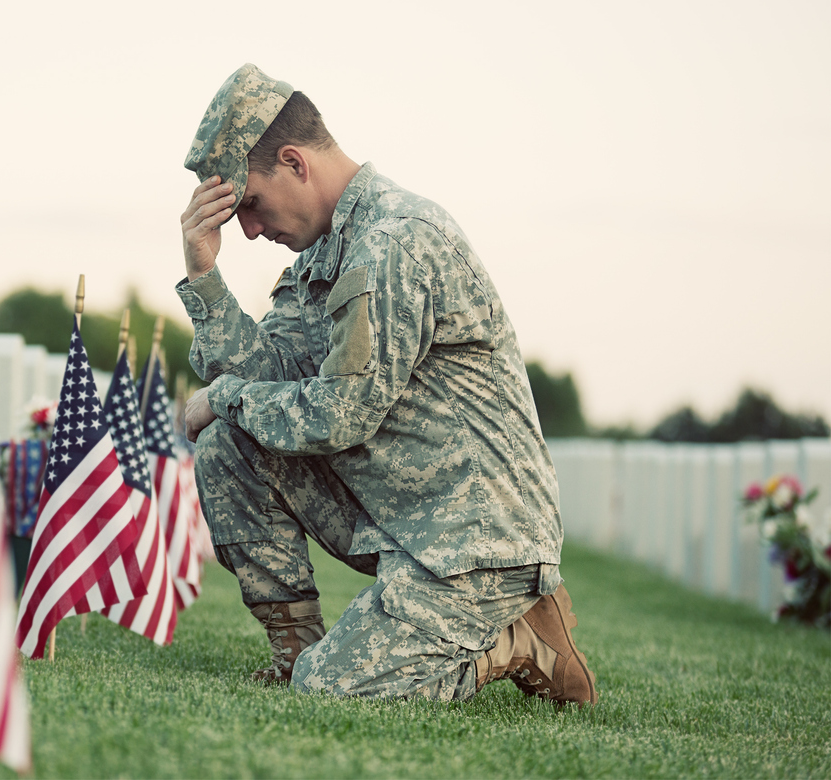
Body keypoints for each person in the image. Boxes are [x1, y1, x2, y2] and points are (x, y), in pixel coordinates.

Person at [174, 63, 597, 705]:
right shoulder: (322, 253)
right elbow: (271, 377)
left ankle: (516, 637)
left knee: (333, 689)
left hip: (476, 540)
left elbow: (336, 416)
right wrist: (204, 274)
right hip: (405, 512)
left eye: (250, 205)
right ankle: (294, 650)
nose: (250, 231)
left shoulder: (393, 244)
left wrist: (222, 397)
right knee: (228, 444)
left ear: (294, 162)